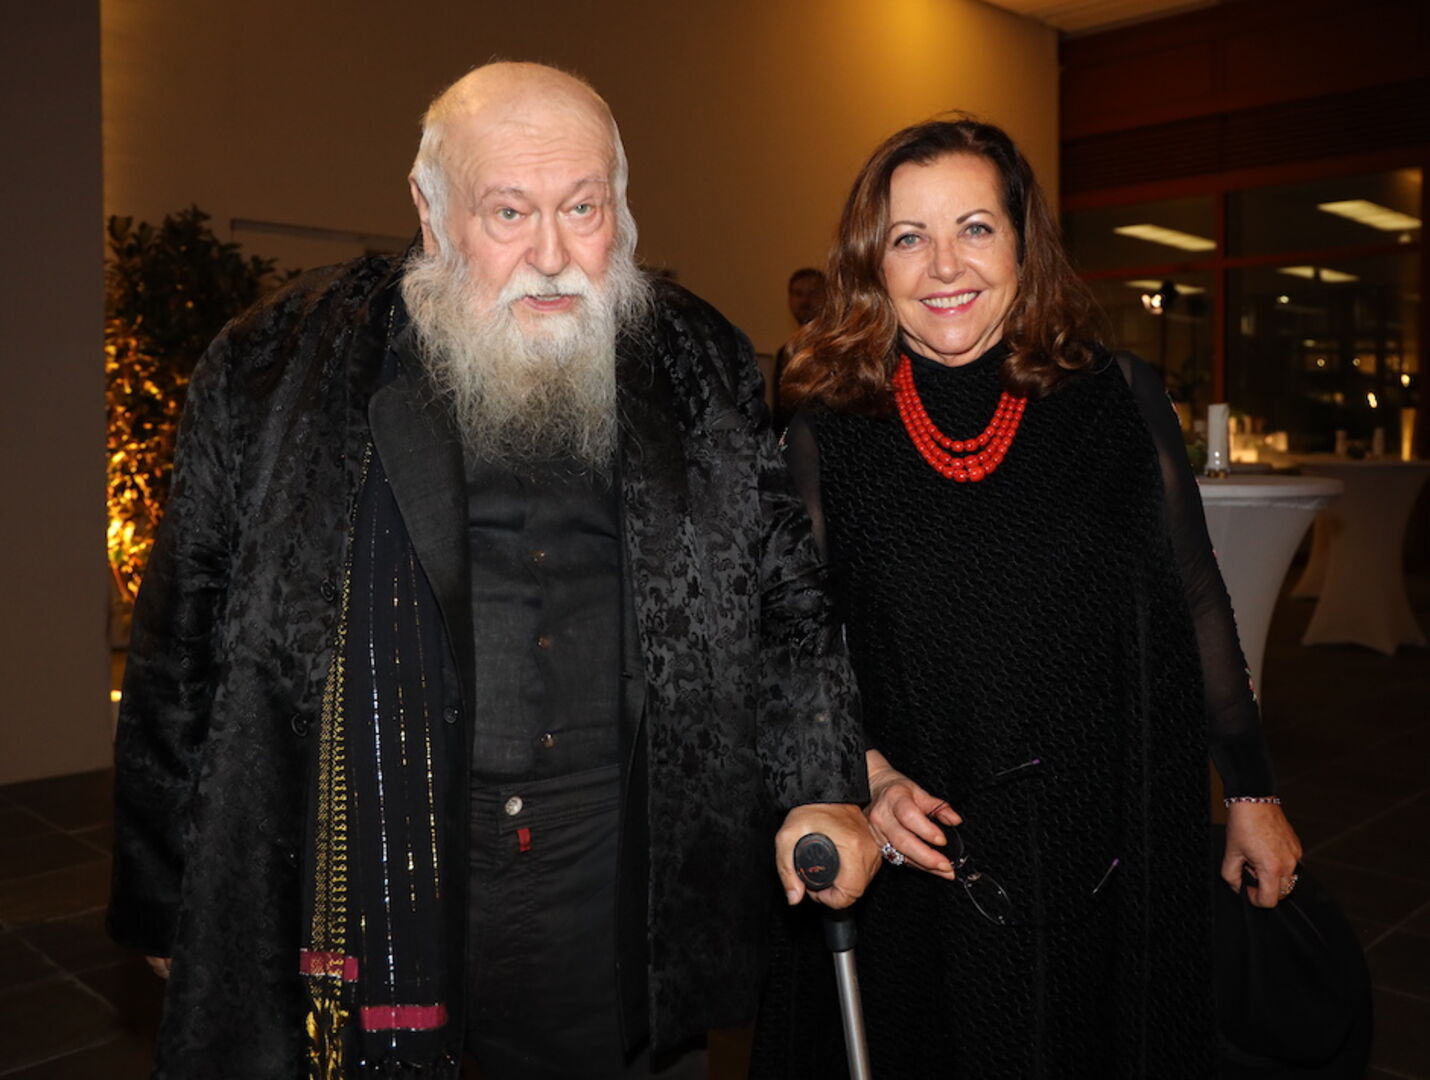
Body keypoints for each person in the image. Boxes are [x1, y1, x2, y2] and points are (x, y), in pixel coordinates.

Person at [107, 61, 878, 1080]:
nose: (552, 255)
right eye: (508, 211)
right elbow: (181, 647)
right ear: (430, 213)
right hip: (385, 887)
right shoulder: (276, 365)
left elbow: (785, 602)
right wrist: (166, 899)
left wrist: (822, 788)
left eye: (582, 208)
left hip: (617, 894)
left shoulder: (698, 365)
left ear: (622, 210)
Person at [752, 118, 1302, 1077]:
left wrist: (1251, 789)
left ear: (1022, 243)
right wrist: (862, 772)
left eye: (974, 227)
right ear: (871, 264)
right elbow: (790, 645)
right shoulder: (828, 431)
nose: (942, 266)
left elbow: (1197, 600)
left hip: (1100, 837)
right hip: (918, 844)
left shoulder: (1118, 398)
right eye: (907, 237)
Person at [770, 268, 826, 433]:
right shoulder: (785, 352)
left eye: (813, 293)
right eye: (798, 293)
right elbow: (781, 412)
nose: (805, 301)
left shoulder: (838, 349)